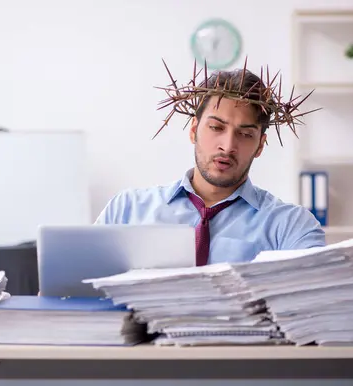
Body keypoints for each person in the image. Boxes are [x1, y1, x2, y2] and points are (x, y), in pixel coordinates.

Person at [95, 66, 326, 265]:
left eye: (245, 134)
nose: (227, 146)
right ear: (194, 130)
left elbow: (316, 299)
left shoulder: (291, 226)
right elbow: (83, 288)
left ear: (260, 146)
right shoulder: (126, 210)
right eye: (216, 128)